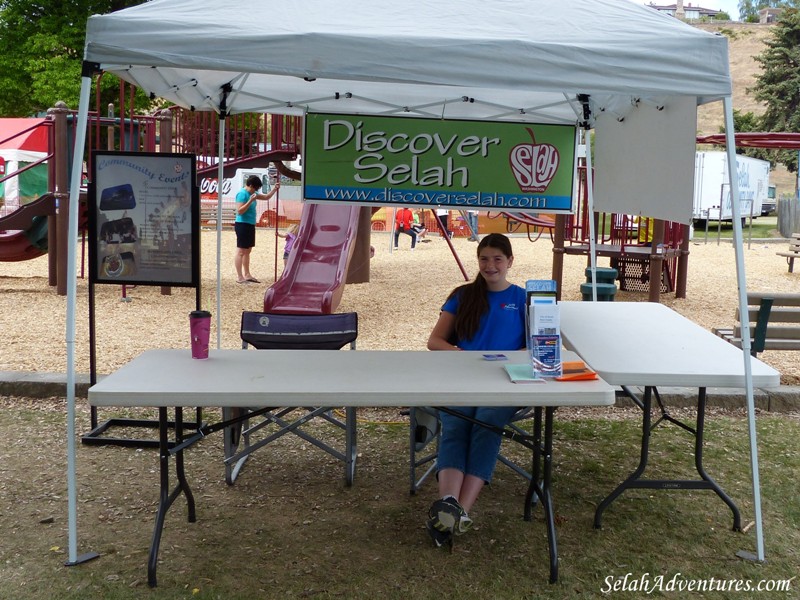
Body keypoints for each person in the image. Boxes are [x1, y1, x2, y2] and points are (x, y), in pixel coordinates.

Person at [424, 233, 526, 548]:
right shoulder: (462, 295)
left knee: (486, 425)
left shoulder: (525, 299)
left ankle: (456, 512)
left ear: (510, 262)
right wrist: (463, 357)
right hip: (461, 380)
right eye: (484, 259)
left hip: (504, 383)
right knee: (455, 425)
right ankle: (450, 505)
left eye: (497, 259)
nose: (490, 265)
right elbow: (435, 341)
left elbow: (537, 347)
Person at [234, 176, 279, 283]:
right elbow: (240, 211)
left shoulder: (253, 194)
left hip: (250, 224)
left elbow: (267, 197)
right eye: (255, 188)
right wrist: (250, 201)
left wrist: (275, 189)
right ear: (249, 185)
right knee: (240, 250)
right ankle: (240, 277)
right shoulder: (242, 194)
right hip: (242, 224)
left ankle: (247, 274)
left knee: (248, 250)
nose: (255, 190)